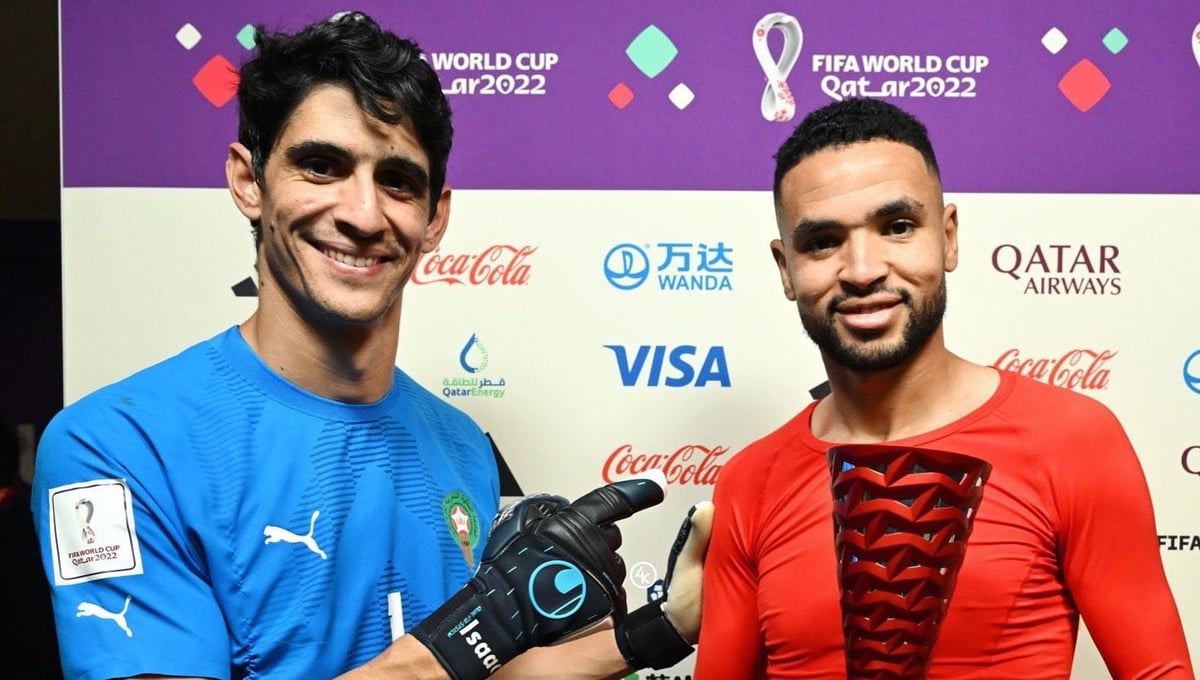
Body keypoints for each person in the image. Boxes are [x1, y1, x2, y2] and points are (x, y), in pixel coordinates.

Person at [32, 12, 711, 680]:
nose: (363, 214)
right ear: (248, 182)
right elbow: (456, 655)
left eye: (397, 181)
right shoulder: (115, 447)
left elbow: (480, 672)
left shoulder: (461, 444)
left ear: (435, 217)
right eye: (321, 166)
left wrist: (662, 628)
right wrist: (476, 630)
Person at [694, 98, 1194, 679]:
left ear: (948, 237)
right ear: (786, 268)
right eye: (823, 241)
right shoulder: (751, 481)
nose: (863, 270)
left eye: (897, 227)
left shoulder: (1071, 439)